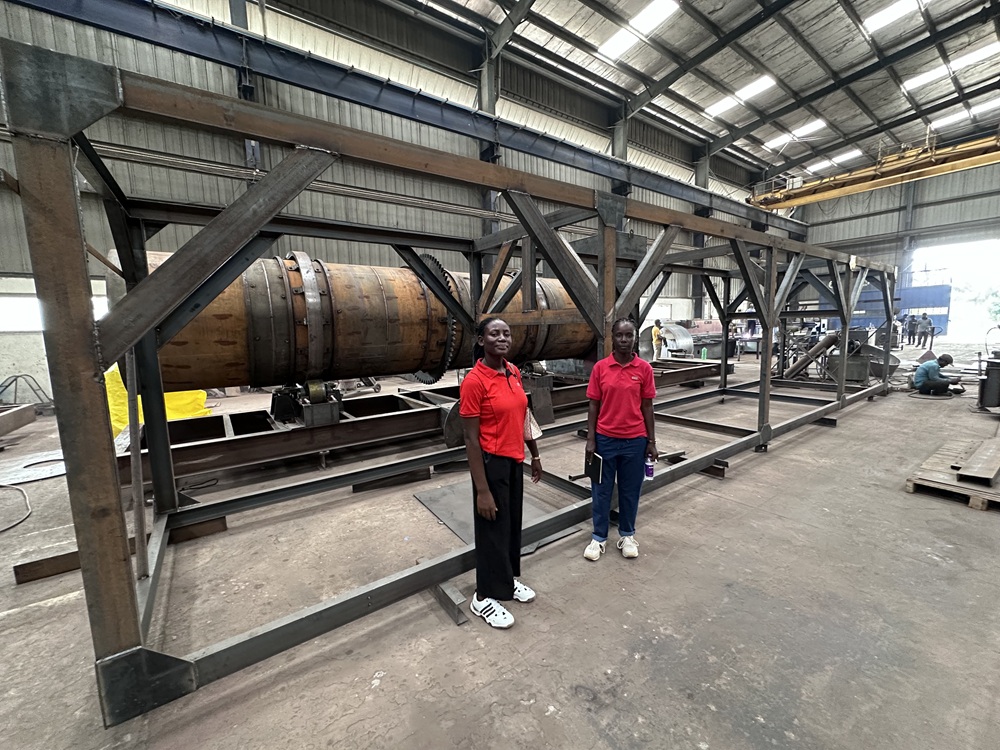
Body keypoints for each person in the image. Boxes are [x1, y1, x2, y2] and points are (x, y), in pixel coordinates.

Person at [460, 316, 542, 629]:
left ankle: (506, 581)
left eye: (506, 333)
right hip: (490, 464)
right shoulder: (474, 382)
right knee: (491, 532)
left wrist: (535, 454)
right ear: (482, 341)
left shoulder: (513, 372)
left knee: (509, 528)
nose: (503, 338)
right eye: (495, 334)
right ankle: (483, 597)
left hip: (514, 461)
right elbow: (471, 440)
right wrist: (482, 490)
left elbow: (524, 416)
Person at [584, 318, 658, 561]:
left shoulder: (644, 369)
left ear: (635, 338)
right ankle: (598, 537)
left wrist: (651, 441)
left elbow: (647, 406)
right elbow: (593, 405)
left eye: (629, 335)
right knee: (601, 491)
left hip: (635, 441)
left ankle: (627, 535)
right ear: (612, 338)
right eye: (619, 335)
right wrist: (591, 439)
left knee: (630, 491)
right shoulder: (601, 368)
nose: (624, 340)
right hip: (605, 440)